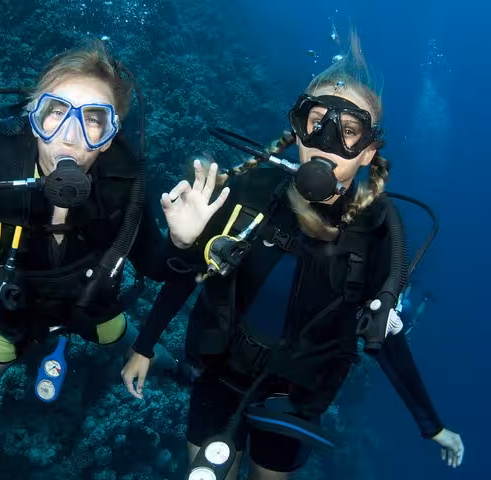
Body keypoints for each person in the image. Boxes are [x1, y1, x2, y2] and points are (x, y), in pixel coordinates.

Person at [121, 34, 464, 479]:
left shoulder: (377, 234)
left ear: (368, 153)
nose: (326, 141)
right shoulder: (251, 191)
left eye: (348, 131)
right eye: (316, 122)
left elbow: (383, 336)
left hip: (295, 397)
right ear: (297, 129)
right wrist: (146, 342)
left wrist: (429, 424)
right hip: (219, 373)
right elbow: (188, 274)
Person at [0, 39, 197, 401]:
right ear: (34, 119)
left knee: (149, 354)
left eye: (94, 119)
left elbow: (157, 268)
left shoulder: (122, 190)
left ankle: (179, 372)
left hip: (93, 309)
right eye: (56, 111)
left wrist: (182, 244)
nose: (70, 134)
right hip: (13, 321)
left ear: (109, 139)